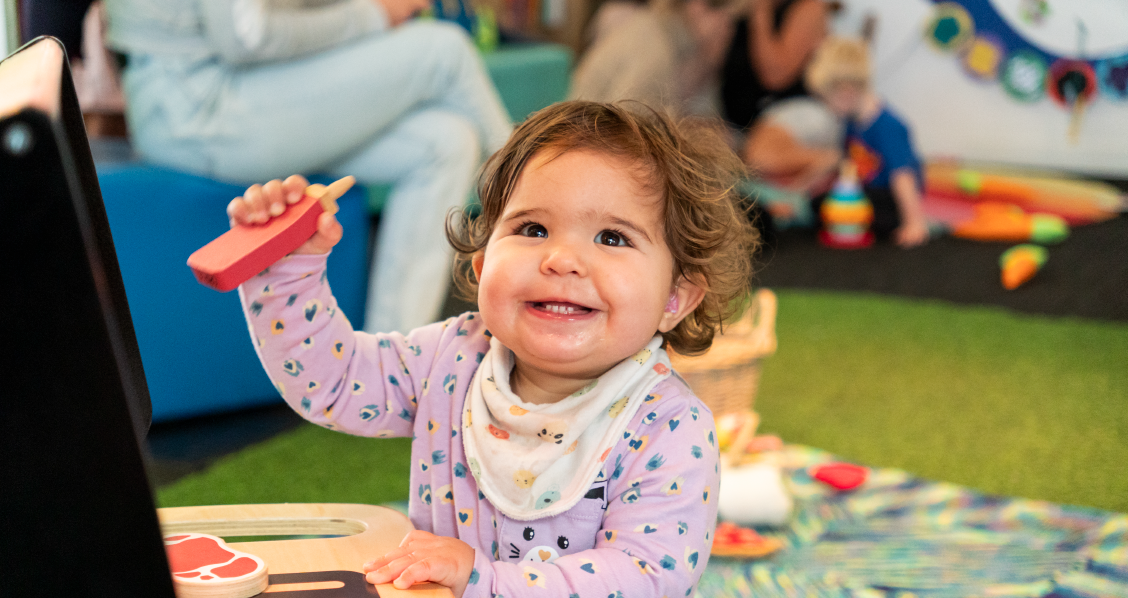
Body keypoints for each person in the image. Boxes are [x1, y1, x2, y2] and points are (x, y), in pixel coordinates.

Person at [227, 101, 759, 597]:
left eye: (612, 238)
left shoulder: (669, 426)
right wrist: (287, 267)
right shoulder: (452, 356)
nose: (561, 259)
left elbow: (643, 575)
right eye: (532, 228)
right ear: (482, 265)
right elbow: (335, 383)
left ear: (675, 297)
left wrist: (486, 579)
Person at [103, 0, 513, 333]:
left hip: (234, 99)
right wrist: (374, 15)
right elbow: (247, 37)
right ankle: (534, 206)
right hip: (200, 113)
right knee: (444, 50)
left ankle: (393, 359)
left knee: (447, 140)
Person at [805, 36, 929, 247]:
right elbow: (839, 164)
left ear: (846, 92)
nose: (827, 108)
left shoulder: (888, 126)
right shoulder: (851, 123)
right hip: (865, 192)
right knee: (818, 203)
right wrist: (798, 191)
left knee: (839, 209)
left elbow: (903, 176)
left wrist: (915, 223)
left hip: (889, 199)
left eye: (827, 100)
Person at [570, 0, 741, 117]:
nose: (727, 20)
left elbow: (707, 118)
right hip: (591, 139)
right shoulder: (654, 41)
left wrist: (707, 64)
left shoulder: (695, 46)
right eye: (716, 5)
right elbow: (630, 125)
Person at [719, 0, 830, 130]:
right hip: (733, 121)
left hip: (785, 115)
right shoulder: (741, 10)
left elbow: (775, 76)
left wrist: (760, 12)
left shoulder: (808, 8)